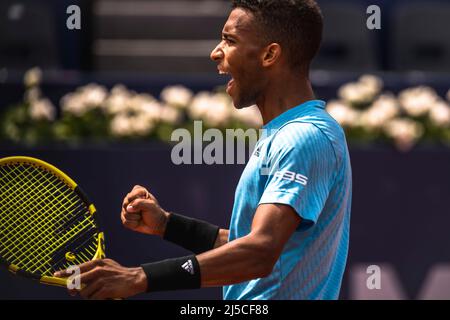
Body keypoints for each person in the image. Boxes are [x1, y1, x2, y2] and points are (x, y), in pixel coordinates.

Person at [56, 0, 352, 300]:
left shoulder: (305, 136)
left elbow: (260, 252)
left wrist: (139, 277)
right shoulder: (289, 134)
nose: (215, 52)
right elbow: (248, 246)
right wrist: (168, 225)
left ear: (270, 54)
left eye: (230, 40)